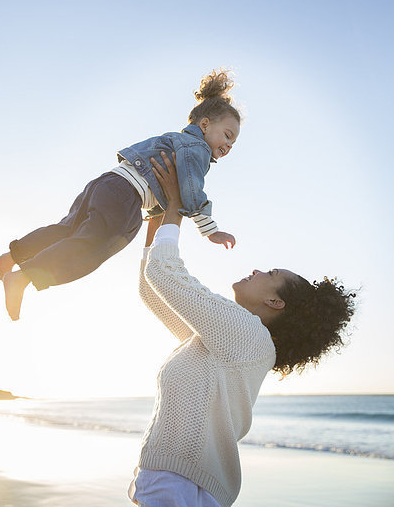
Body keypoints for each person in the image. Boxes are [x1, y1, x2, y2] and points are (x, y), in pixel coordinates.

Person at [128, 153, 356, 507]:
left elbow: (164, 274)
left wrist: (174, 204)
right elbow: (153, 289)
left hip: (179, 485)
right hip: (182, 484)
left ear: (276, 303)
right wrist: (158, 215)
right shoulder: (227, 341)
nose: (258, 270)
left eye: (271, 274)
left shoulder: (246, 335)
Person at [0, 68, 240, 321]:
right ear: (205, 124)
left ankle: (8, 258)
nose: (228, 146)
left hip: (107, 183)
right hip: (126, 197)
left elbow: (163, 194)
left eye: (233, 144)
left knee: (66, 230)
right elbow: (190, 190)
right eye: (227, 136)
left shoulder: (175, 140)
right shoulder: (196, 149)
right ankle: (23, 277)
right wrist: (210, 229)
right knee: (95, 244)